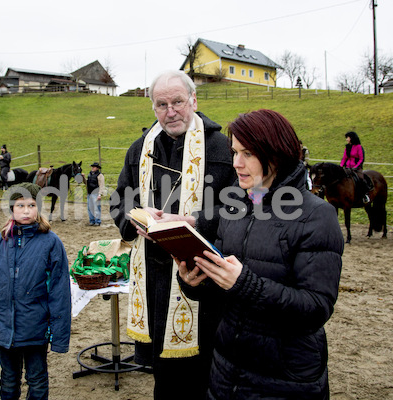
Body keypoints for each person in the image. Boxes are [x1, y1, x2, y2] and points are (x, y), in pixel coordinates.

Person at [178, 109, 344, 399]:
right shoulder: (234, 206)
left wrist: (244, 283)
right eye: (234, 152)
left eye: (248, 154)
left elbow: (316, 308)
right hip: (225, 370)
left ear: (276, 153)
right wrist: (196, 282)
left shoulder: (317, 216)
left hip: (285, 378)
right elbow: (223, 288)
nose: (236, 163)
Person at [110, 70, 235, 399]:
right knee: (165, 381)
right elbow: (119, 198)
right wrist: (135, 217)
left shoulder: (222, 148)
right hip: (153, 281)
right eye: (161, 104)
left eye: (178, 101)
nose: (170, 111)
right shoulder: (141, 148)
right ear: (153, 108)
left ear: (193, 100)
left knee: (207, 376)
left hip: (204, 281)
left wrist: (197, 221)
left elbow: (242, 209)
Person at [0, 182, 71, 400]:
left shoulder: (51, 243)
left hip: (35, 329)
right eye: (20, 205)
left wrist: (59, 336)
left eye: (31, 205)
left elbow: (60, 293)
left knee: (37, 379)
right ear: (11, 208)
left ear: (39, 208)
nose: (26, 211)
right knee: (8, 379)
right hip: (3, 328)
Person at [340, 131, 372, 203]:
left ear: (351, 138)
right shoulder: (347, 147)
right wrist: (341, 166)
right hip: (347, 168)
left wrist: (356, 167)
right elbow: (344, 158)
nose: (346, 139)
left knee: (361, 179)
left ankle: (365, 195)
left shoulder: (359, 147)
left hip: (357, 168)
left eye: (347, 138)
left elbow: (361, 159)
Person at [86, 162, 105, 226]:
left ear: (97, 168)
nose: (92, 168)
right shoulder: (89, 174)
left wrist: (99, 194)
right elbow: (86, 183)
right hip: (90, 193)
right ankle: (92, 221)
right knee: (90, 208)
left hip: (96, 194)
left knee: (96, 208)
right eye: (92, 167)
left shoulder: (100, 175)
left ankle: (97, 221)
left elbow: (101, 185)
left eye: (93, 167)